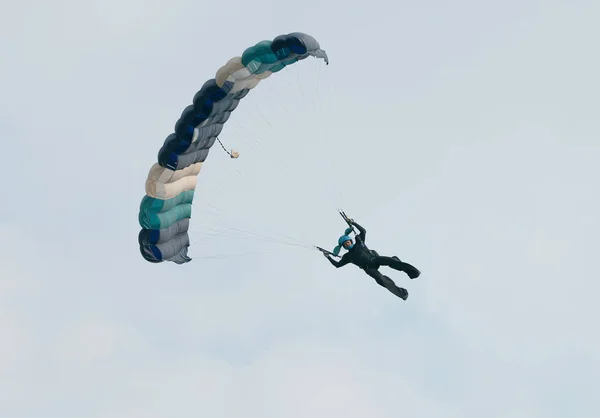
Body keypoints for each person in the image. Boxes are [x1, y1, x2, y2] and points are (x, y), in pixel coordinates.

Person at [323, 218, 420, 300]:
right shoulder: (347, 257)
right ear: (344, 247)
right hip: (369, 268)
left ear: (350, 241)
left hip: (374, 259)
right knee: (381, 280)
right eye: (345, 244)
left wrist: (353, 222)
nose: (347, 244)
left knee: (392, 261)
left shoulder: (359, 242)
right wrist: (328, 257)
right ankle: (402, 294)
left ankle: (413, 272)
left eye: (347, 242)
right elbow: (337, 265)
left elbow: (363, 231)